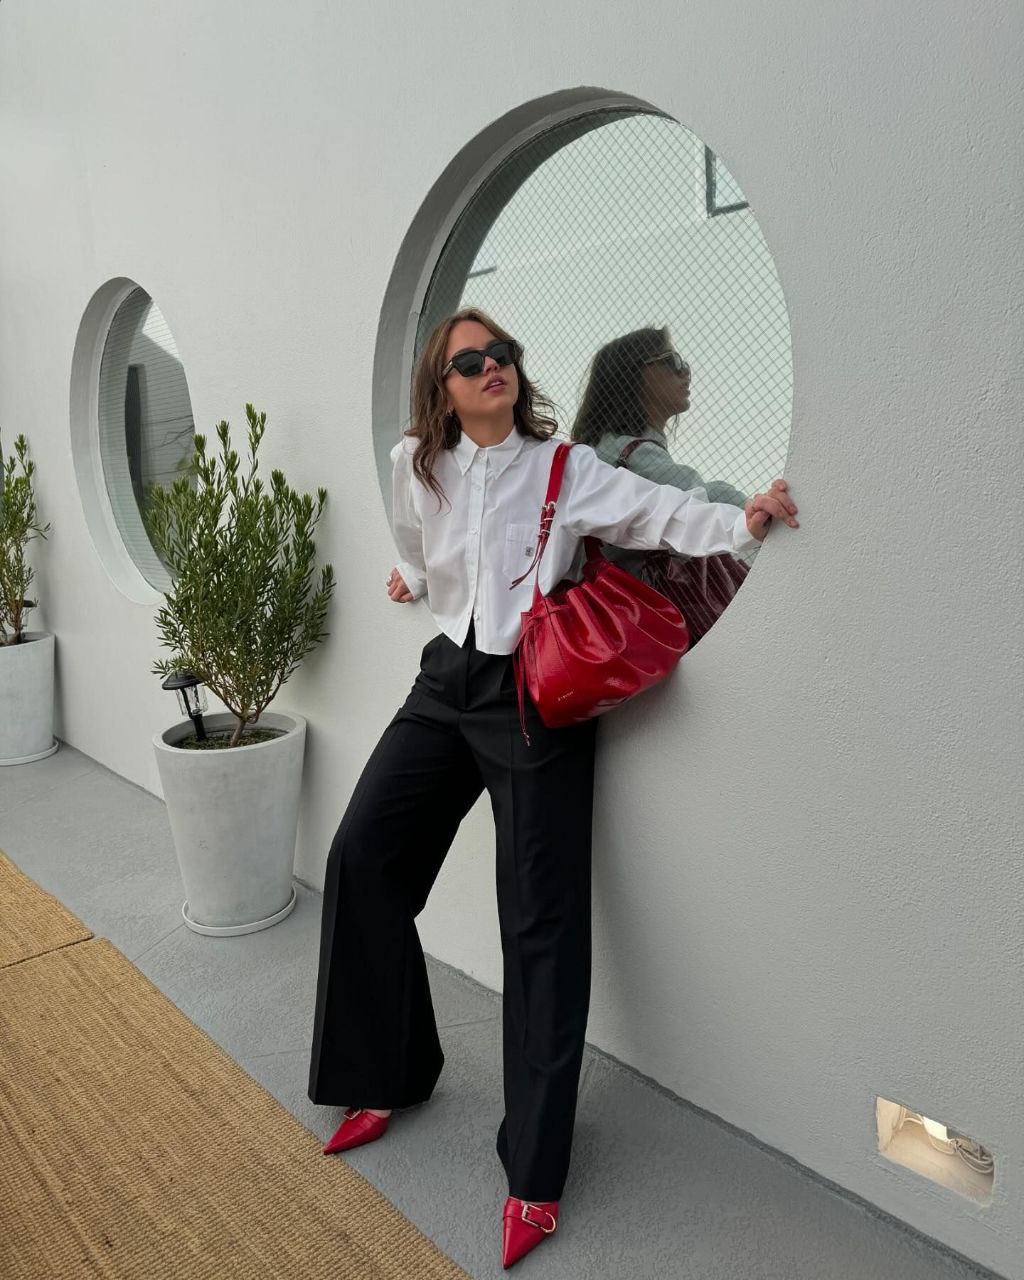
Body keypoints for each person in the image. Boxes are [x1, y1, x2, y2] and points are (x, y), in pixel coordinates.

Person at [307, 306, 798, 1269]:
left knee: (540, 921)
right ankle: (382, 1076)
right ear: (443, 389)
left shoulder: (564, 468)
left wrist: (743, 519)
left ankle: (533, 1173)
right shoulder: (418, 462)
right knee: (363, 856)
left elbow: (658, 513)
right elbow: (414, 542)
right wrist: (416, 580)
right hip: (445, 685)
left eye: (502, 355)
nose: (491, 368)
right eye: (470, 363)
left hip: (534, 697)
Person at [571, 326, 771, 642]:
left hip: (608, 626)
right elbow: (696, 510)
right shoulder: (627, 457)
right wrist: (760, 516)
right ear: (635, 374)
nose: (685, 372)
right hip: (644, 623)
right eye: (673, 361)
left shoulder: (599, 454)